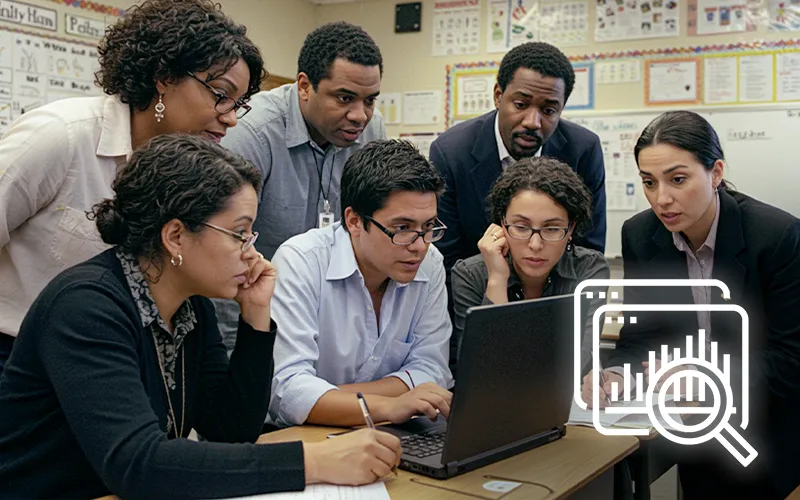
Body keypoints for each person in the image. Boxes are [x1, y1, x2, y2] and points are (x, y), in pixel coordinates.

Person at [0, 135, 402, 499]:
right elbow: (136, 463)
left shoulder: (191, 305)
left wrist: (256, 317)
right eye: (239, 233)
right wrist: (313, 461)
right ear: (175, 236)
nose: (250, 251)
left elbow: (231, 431)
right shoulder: (86, 306)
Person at [0, 0, 265, 374]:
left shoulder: (187, 173)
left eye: (241, 104)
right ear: (163, 76)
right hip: (16, 360)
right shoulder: (61, 136)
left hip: (114, 364)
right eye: (220, 94)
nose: (232, 118)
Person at [580, 111, 800, 499]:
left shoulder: (777, 236)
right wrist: (615, 374)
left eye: (677, 179)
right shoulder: (642, 235)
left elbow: (790, 360)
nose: (661, 198)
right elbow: (639, 338)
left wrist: (707, 376)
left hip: (769, 430)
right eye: (649, 182)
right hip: (692, 429)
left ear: (715, 173)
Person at [215, 21, 386, 351]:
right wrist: (235, 354)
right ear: (305, 86)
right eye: (345, 98)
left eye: (370, 100)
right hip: (254, 318)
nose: (359, 116)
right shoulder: (251, 135)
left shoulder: (371, 131)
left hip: (332, 323)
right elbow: (221, 251)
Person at [267, 139, 453, 429]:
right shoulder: (300, 261)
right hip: (306, 437)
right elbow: (288, 391)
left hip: (393, 430)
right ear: (354, 221)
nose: (419, 245)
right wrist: (391, 405)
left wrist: (333, 398)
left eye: (429, 227)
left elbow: (433, 369)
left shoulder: (430, 262)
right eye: (402, 229)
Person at [430, 41, 607, 276]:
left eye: (548, 111)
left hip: (557, 294)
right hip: (476, 292)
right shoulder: (451, 153)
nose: (532, 122)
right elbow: (445, 258)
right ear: (498, 96)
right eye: (521, 104)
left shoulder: (583, 150)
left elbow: (589, 254)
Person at [451, 157, 609, 375]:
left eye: (552, 229)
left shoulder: (589, 270)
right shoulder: (470, 275)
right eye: (521, 227)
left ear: (570, 229)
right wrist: (496, 279)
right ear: (501, 224)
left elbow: (575, 363)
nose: (535, 244)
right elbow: (480, 371)